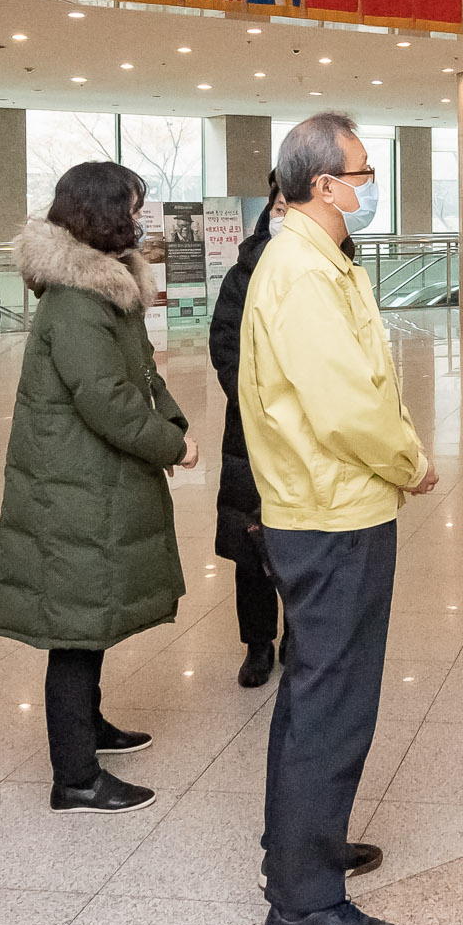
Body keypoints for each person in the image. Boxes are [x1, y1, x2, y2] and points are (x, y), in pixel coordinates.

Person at [242, 113, 435, 925]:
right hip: (331, 509)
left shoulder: (320, 261)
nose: (368, 186)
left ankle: (297, 851)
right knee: (333, 700)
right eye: (360, 173)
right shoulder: (302, 273)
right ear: (322, 186)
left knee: (317, 691)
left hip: (327, 502)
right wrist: (409, 460)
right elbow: (345, 402)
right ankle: (303, 905)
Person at [0, 162, 197, 815]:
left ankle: (92, 729)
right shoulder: (76, 302)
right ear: (103, 213)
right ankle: (74, 776)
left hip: (91, 479)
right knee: (75, 626)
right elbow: (105, 399)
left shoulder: (106, 290)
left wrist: (174, 423)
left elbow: (139, 373)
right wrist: (169, 443)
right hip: (72, 486)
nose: (141, 220)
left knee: (92, 611)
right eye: (133, 208)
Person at [208, 185, 285, 687]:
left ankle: (300, 634)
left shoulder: (339, 272)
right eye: (278, 210)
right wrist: (260, 402)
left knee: (301, 542)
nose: (284, 218)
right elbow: (225, 345)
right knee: (250, 542)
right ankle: (258, 643)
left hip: (313, 434)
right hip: (251, 433)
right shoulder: (243, 274)